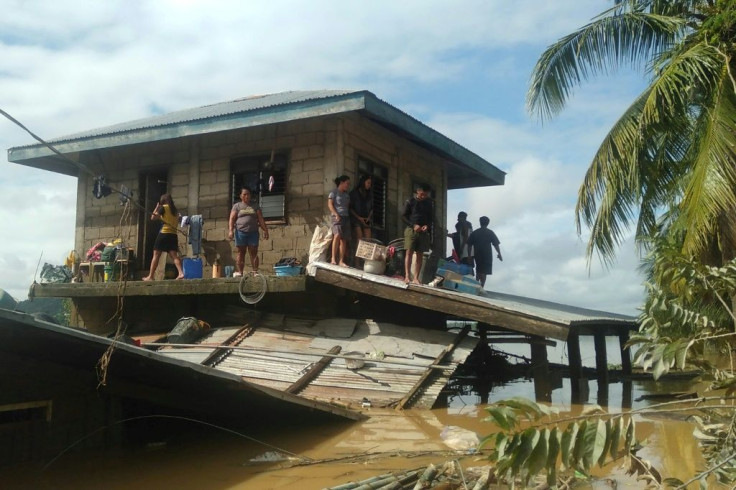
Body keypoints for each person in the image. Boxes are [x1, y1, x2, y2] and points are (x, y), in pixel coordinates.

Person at [228, 187, 269, 276]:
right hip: (240, 232)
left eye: (248, 194)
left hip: (253, 233)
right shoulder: (237, 206)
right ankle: (240, 272)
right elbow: (232, 218)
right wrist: (230, 230)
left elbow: (260, 219)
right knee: (241, 252)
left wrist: (265, 230)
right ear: (241, 196)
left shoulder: (255, 206)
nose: (247, 196)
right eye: (244, 194)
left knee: (253, 251)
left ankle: (255, 271)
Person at [142, 194, 184, 281]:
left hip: (164, 234)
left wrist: (157, 208)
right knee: (174, 256)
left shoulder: (164, 208)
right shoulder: (175, 211)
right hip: (173, 235)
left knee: (156, 255)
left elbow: (153, 217)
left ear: (163, 201)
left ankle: (151, 276)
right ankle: (181, 273)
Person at [402, 183, 434, 284]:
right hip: (411, 230)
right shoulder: (410, 201)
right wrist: (413, 225)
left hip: (423, 232)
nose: (424, 196)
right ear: (418, 192)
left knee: (420, 254)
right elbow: (403, 216)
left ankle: (416, 278)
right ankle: (407, 276)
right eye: (422, 194)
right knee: (409, 252)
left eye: (426, 195)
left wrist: (427, 226)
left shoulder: (429, 203)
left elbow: (431, 218)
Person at [467, 216, 502, 288]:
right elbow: (496, 244)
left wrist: (469, 256)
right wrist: (499, 254)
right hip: (487, 255)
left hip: (477, 254)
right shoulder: (490, 232)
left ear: (480, 222)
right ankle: (481, 287)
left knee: (479, 270)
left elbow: (469, 245)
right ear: (488, 223)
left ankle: (476, 286)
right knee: (484, 272)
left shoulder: (475, 233)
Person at [349, 174, 373, 265]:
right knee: (359, 241)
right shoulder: (354, 193)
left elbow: (372, 208)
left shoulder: (369, 194)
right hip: (356, 219)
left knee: (368, 241)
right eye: (368, 183)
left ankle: (366, 263)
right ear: (363, 182)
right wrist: (359, 218)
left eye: (370, 183)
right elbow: (350, 208)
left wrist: (369, 217)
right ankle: (357, 262)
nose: (369, 185)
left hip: (366, 219)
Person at [328, 175, 351, 267]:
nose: (348, 185)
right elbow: (330, 205)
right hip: (336, 217)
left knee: (343, 239)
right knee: (337, 235)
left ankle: (341, 261)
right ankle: (333, 258)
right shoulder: (333, 193)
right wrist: (336, 214)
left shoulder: (347, 195)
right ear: (341, 182)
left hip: (346, 217)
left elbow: (347, 206)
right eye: (347, 183)